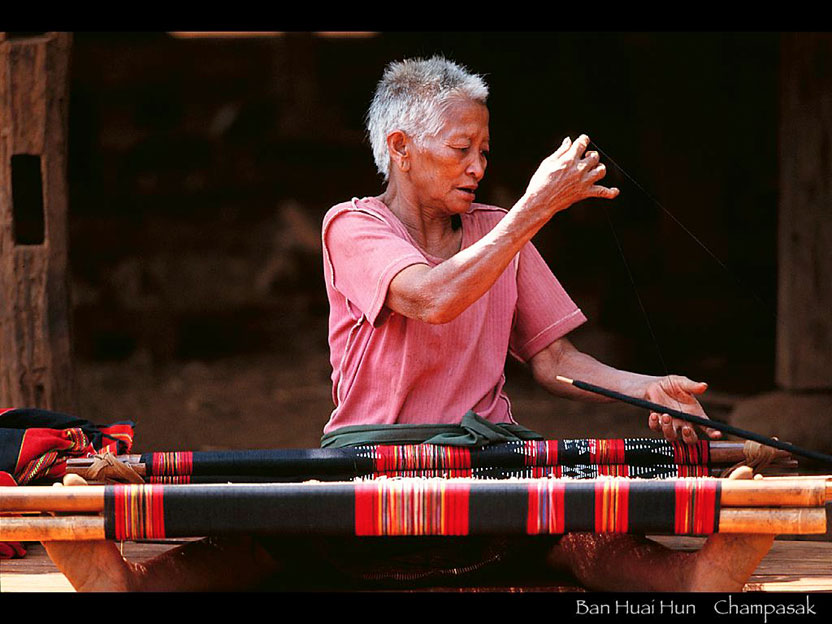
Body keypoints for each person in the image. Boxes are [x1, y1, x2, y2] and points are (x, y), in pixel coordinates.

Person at [41, 55, 774, 592]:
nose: (478, 165)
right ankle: (118, 577)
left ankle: (705, 570)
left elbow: (556, 361)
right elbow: (430, 297)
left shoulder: (495, 229)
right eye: (462, 149)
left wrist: (650, 388)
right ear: (399, 148)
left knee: (593, 536)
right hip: (367, 465)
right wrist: (532, 213)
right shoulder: (352, 226)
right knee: (255, 539)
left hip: (485, 472)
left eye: (484, 150)